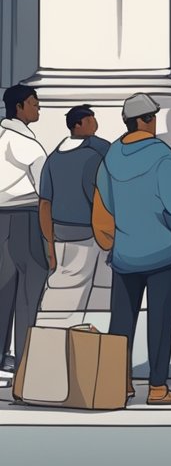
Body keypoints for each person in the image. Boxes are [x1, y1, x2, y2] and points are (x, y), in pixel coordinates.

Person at [93, 93, 171, 405]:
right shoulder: (162, 156)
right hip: (165, 252)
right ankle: (158, 388)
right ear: (146, 120)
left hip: (125, 253)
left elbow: (105, 202)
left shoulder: (111, 156)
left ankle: (119, 384)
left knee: (121, 321)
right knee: (161, 322)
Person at [36, 105, 112, 327]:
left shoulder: (53, 159)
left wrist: (49, 244)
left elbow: (45, 204)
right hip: (89, 236)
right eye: (90, 120)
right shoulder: (97, 153)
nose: (95, 123)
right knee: (68, 298)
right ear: (77, 125)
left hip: (71, 235)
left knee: (74, 295)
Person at [0, 84, 47, 388]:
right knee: (30, 289)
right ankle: (25, 362)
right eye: (34, 103)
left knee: (3, 290)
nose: (38, 108)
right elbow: (45, 189)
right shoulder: (28, 145)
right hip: (25, 216)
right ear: (19, 107)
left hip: (0, 219)